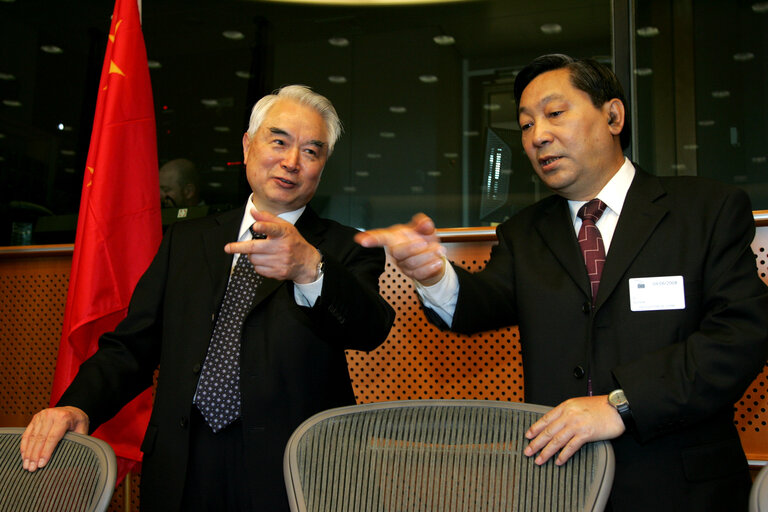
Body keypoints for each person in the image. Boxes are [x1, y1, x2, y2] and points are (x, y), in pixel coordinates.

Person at [356, 54, 768, 511]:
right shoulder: (524, 233)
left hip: (683, 486)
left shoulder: (705, 210)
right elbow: (479, 304)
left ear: (613, 116)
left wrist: (621, 403)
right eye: (526, 125)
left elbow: (741, 335)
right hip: (560, 487)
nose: (538, 137)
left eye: (554, 114)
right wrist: (434, 274)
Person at [21, 85, 395, 511]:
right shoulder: (186, 240)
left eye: (312, 151)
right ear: (248, 145)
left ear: (322, 166)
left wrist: (309, 266)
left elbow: (370, 329)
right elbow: (132, 346)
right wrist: (76, 406)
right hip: (183, 465)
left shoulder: (346, 248)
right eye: (279, 141)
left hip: (296, 473)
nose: (292, 161)